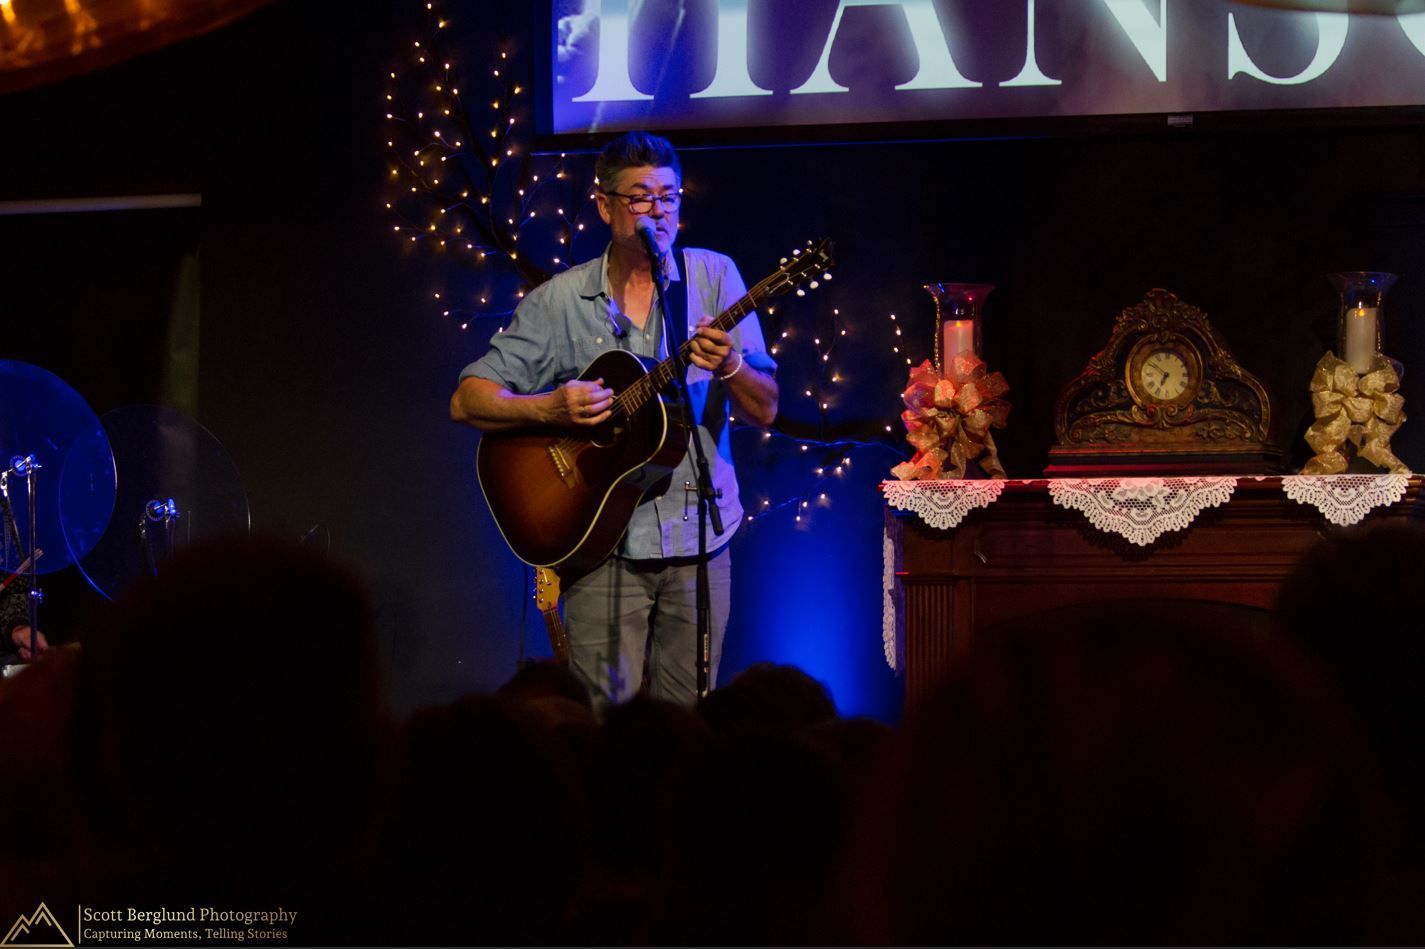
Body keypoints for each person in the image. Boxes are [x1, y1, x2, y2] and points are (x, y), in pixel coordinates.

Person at [450, 131, 777, 709]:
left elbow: (766, 407)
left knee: (688, 724)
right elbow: (467, 400)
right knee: (605, 721)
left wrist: (731, 365)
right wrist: (549, 406)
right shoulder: (561, 299)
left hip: (699, 542)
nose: (659, 211)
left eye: (669, 196)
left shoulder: (714, 277)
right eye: (641, 197)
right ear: (604, 206)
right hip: (602, 546)